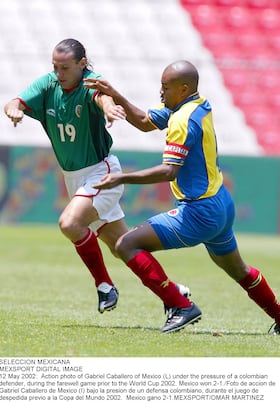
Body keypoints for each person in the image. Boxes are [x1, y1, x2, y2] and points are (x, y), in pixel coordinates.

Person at [84, 60, 280, 334]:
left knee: (125, 245)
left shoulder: (181, 120)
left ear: (184, 87)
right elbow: (143, 121)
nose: (160, 92)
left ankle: (180, 306)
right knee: (239, 270)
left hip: (199, 211)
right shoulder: (197, 105)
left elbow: (169, 171)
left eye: (166, 87)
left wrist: (122, 177)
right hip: (221, 204)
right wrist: (114, 93)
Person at [4, 38, 129, 314]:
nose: (59, 73)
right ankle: (174, 292)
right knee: (123, 247)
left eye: (65, 68)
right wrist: (13, 108)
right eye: (55, 67)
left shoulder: (90, 82)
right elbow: (17, 101)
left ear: (82, 65)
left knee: (70, 224)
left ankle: (104, 286)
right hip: (74, 179)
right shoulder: (49, 84)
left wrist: (108, 108)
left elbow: (102, 96)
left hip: (100, 171)